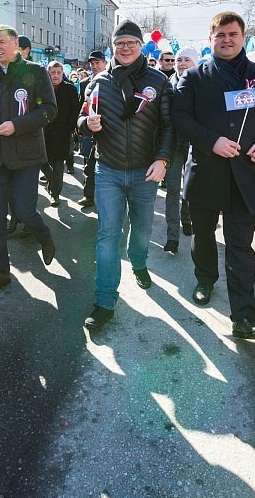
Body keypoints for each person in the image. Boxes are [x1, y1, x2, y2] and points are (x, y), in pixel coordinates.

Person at [173, 11, 255, 341]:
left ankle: (243, 318)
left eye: (232, 34)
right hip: (206, 173)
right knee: (204, 235)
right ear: (211, 39)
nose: (226, 39)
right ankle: (205, 279)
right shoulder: (194, 77)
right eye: (220, 34)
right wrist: (212, 141)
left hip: (245, 175)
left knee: (240, 247)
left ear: (242, 37)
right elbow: (180, 118)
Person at [79, 19, 174, 330]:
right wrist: (86, 126)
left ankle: (139, 262)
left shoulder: (159, 81)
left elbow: (169, 127)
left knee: (142, 230)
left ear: (140, 45)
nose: (126, 47)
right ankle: (105, 300)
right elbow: (82, 119)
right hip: (108, 171)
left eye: (131, 42)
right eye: (120, 43)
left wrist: (163, 160)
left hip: (146, 172)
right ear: (113, 46)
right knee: (108, 235)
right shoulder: (97, 83)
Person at [0, 25, 57, 297]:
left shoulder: (35, 72)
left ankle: (44, 236)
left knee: (24, 210)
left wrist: (17, 125)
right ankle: (0, 273)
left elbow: (49, 110)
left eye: (1, 42)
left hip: (27, 156)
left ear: (15, 44)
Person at [163, 47, 199, 252]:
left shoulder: (202, 83)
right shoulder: (168, 85)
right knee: (172, 190)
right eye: (179, 59)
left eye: (187, 59)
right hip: (174, 145)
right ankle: (172, 238)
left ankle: (187, 218)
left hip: (195, 145)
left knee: (190, 189)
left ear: (195, 63)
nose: (182, 63)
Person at [42, 61, 80, 207]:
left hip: (62, 134)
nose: (56, 75)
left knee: (58, 165)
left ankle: (55, 194)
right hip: (44, 132)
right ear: (48, 73)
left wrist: (70, 127)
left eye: (59, 72)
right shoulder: (43, 88)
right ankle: (52, 180)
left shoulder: (69, 89)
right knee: (42, 162)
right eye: (53, 72)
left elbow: (75, 110)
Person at [78, 50, 108, 209]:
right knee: (89, 166)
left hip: (107, 133)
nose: (95, 66)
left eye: (98, 63)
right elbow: (82, 108)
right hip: (89, 131)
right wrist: (82, 125)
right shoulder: (85, 84)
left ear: (104, 63)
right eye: (92, 64)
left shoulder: (112, 81)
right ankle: (88, 196)